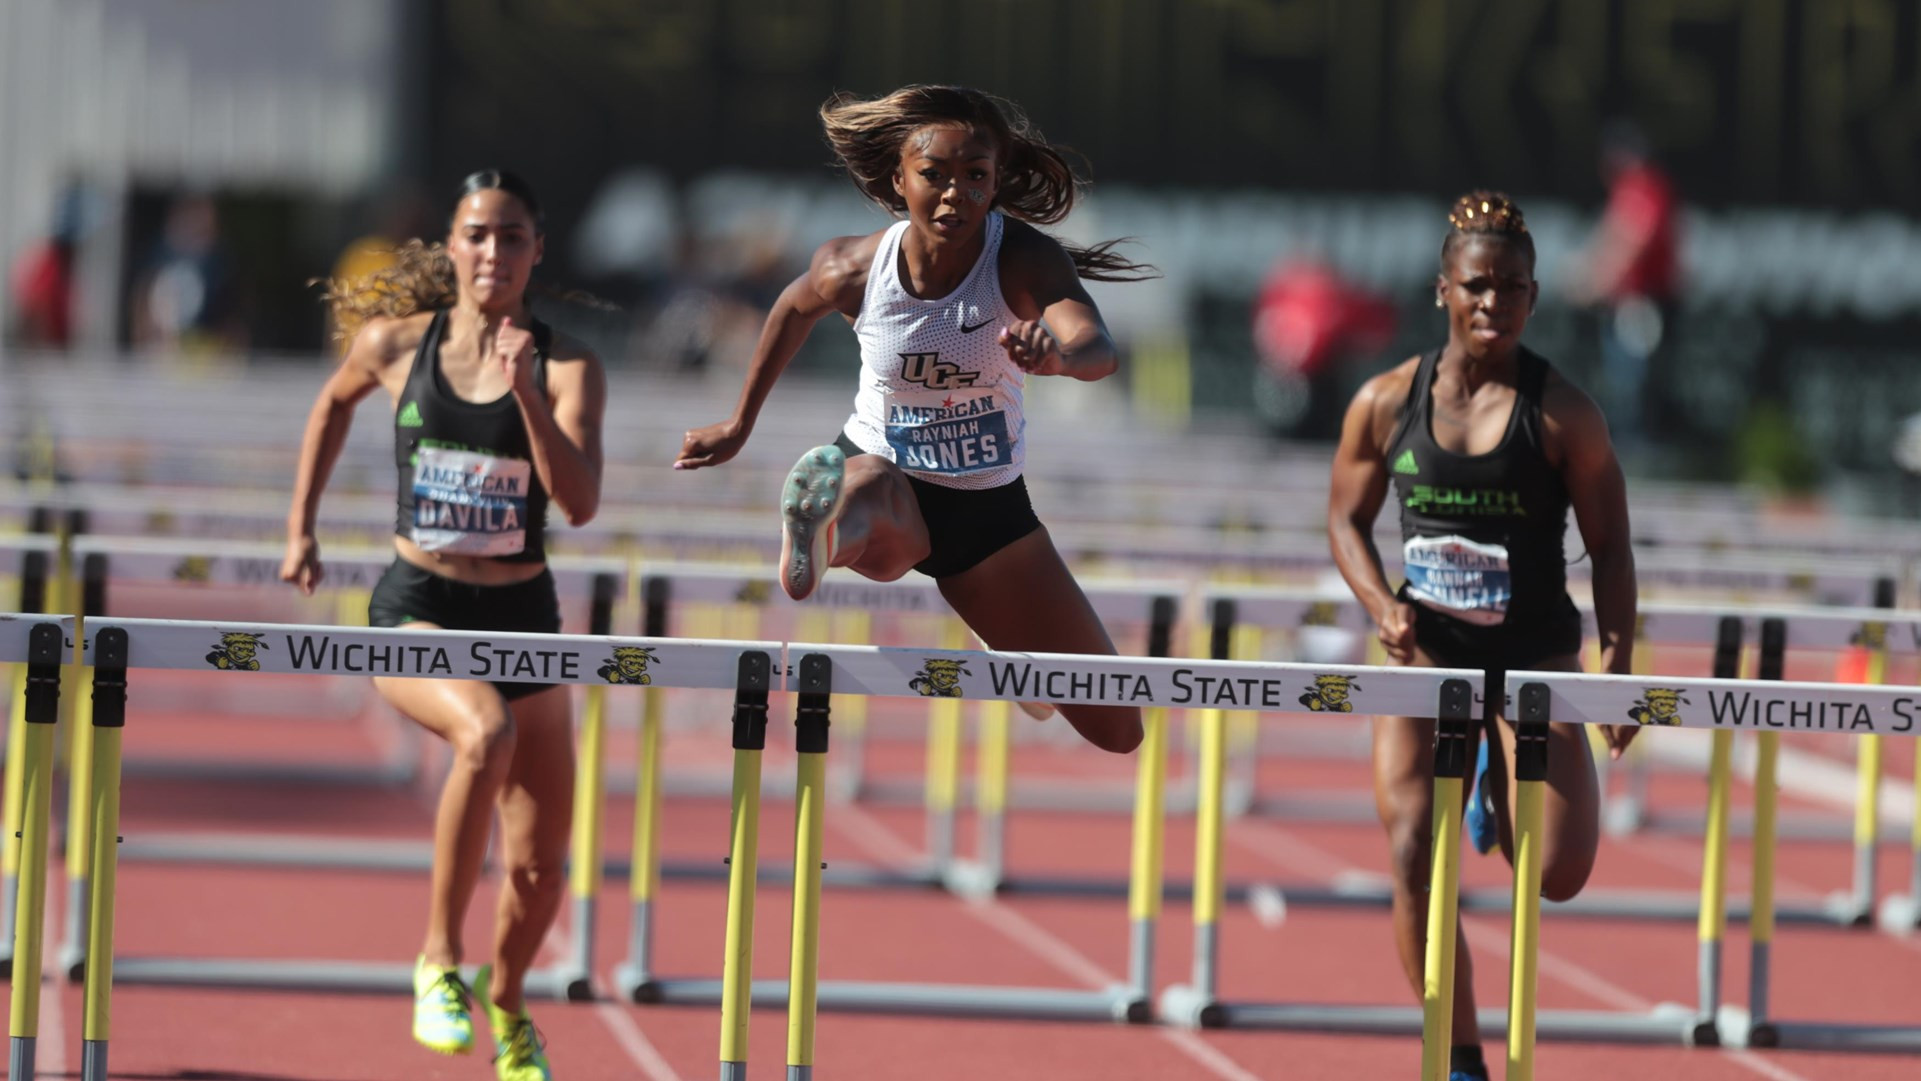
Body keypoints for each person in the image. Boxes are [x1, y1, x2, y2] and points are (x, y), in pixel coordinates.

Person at [675, 84, 1147, 755]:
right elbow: (790, 308)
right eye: (935, 175)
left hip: (986, 509)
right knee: (871, 496)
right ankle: (822, 531)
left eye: (974, 176)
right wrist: (737, 423)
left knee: (1117, 728)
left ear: (995, 182)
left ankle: (864, 545)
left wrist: (1057, 356)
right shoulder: (854, 266)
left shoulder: (1021, 258)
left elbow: (1096, 347)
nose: (956, 193)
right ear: (899, 180)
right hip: (884, 466)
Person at [281, 169, 605, 1081]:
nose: (493, 252)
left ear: (537, 251)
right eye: (477, 235)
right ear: (452, 249)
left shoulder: (571, 363)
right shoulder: (394, 344)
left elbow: (578, 503)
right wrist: (301, 527)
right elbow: (329, 404)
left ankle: (506, 1007)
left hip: (523, 615)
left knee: (542, 869)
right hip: (416, 606)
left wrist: (529, 394)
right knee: (482, 731)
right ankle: (436, 958)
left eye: (511, 237)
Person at [1325, 192, 1637, 1081]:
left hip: (1532, 656)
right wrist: (1380, 600)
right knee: (1409, 850)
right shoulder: (1386, 403)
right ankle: (1460, 1056)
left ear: (1534, 299)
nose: (1492, 303)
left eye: (1511, 288)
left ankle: (1493, 790)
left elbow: (1611, 545)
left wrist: (1615, 660)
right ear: (1442, 291)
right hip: (1424, 660)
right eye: (1476, 285)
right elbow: (1345, 519)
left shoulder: (1563, 413)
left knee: (1560, 872)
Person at [1566, 121, 1681, 446]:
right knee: (1621, 379)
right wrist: (1586, 274)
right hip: (1623, 304)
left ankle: (1638, 448)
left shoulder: (1646, 186)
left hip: (1645, 302)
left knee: (1636, 382)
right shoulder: (1626, 191)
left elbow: (1633, 243)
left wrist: (1595, 281)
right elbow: (1609, 240)